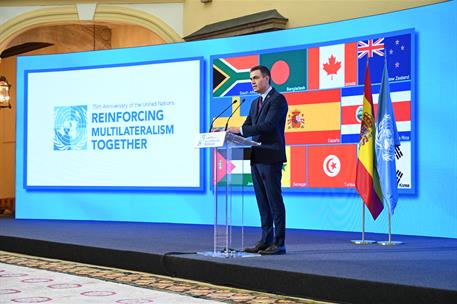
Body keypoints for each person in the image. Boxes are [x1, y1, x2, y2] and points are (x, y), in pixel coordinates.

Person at [228, 65, 288, 255]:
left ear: (267, 78)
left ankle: (279, 243)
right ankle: (265, 240)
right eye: (250, 79)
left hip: (271, 156)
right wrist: (226, 133)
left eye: (255, 78)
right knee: (262, 201)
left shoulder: (278, 100)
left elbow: (268, 126)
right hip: (256, 157)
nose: (252, 82)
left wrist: (241, 130)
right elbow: (246, 126)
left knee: (274, 200)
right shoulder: (255, 103)